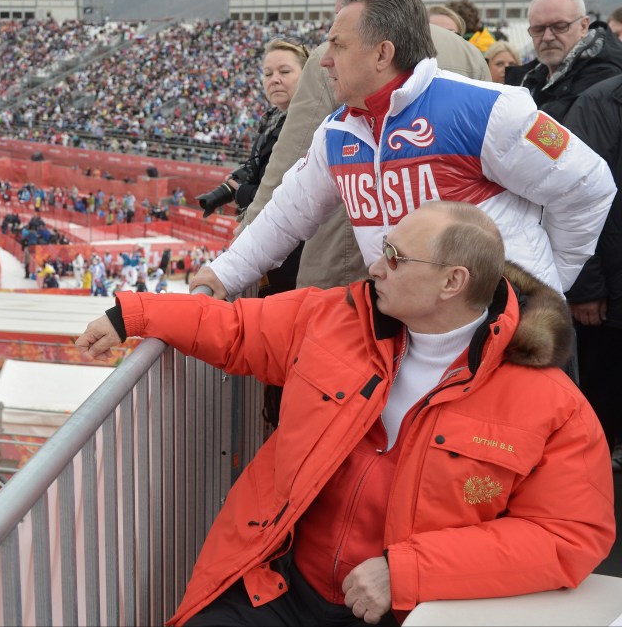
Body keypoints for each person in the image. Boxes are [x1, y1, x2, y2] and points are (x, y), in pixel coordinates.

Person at [76, 202, 615, 626]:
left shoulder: (552, 404)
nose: (376, 266)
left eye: (397, 258)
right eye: (385, 247)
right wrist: (135, 313)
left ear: (453, 282)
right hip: (279, 585)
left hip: (410, 611)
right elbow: (238, 328)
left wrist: (408, 574)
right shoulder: (337, 316)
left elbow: (568, 537)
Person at [192, 0, 615, 304]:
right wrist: (221, 276)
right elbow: (284, 217)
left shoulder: (487, 108)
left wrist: (552, 281)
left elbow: (588, 185)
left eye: (338, 45)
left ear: (382, 53)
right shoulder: (338, 132)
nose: (323, 60)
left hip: (508, 336)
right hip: (415, 336)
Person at [237, 0, 492, 294]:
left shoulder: (329, 58)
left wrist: (242, 242)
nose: (334, 6)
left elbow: (290, 159)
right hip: (452, 262)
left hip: (351, 255)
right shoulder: (469, 53)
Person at [196, 38, 308, 297]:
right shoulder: (273, 119)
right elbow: (257, 167)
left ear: (307, 76)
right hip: (269, 243)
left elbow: (286, 192)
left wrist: (240, 193)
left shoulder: (305, 126)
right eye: (268, 74)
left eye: (285, 71)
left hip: (290, 254)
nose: (274, 79)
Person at [562, 74, 622, 469]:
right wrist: (585, 287)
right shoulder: (600, 103)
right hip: (610, 296)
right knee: (601, 402)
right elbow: (570, 196)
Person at [505, 0, 622, 121]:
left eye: (559, 26)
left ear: (583, 26)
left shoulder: (607, 76)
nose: (547, 37)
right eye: (538, 29)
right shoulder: (532, 77)